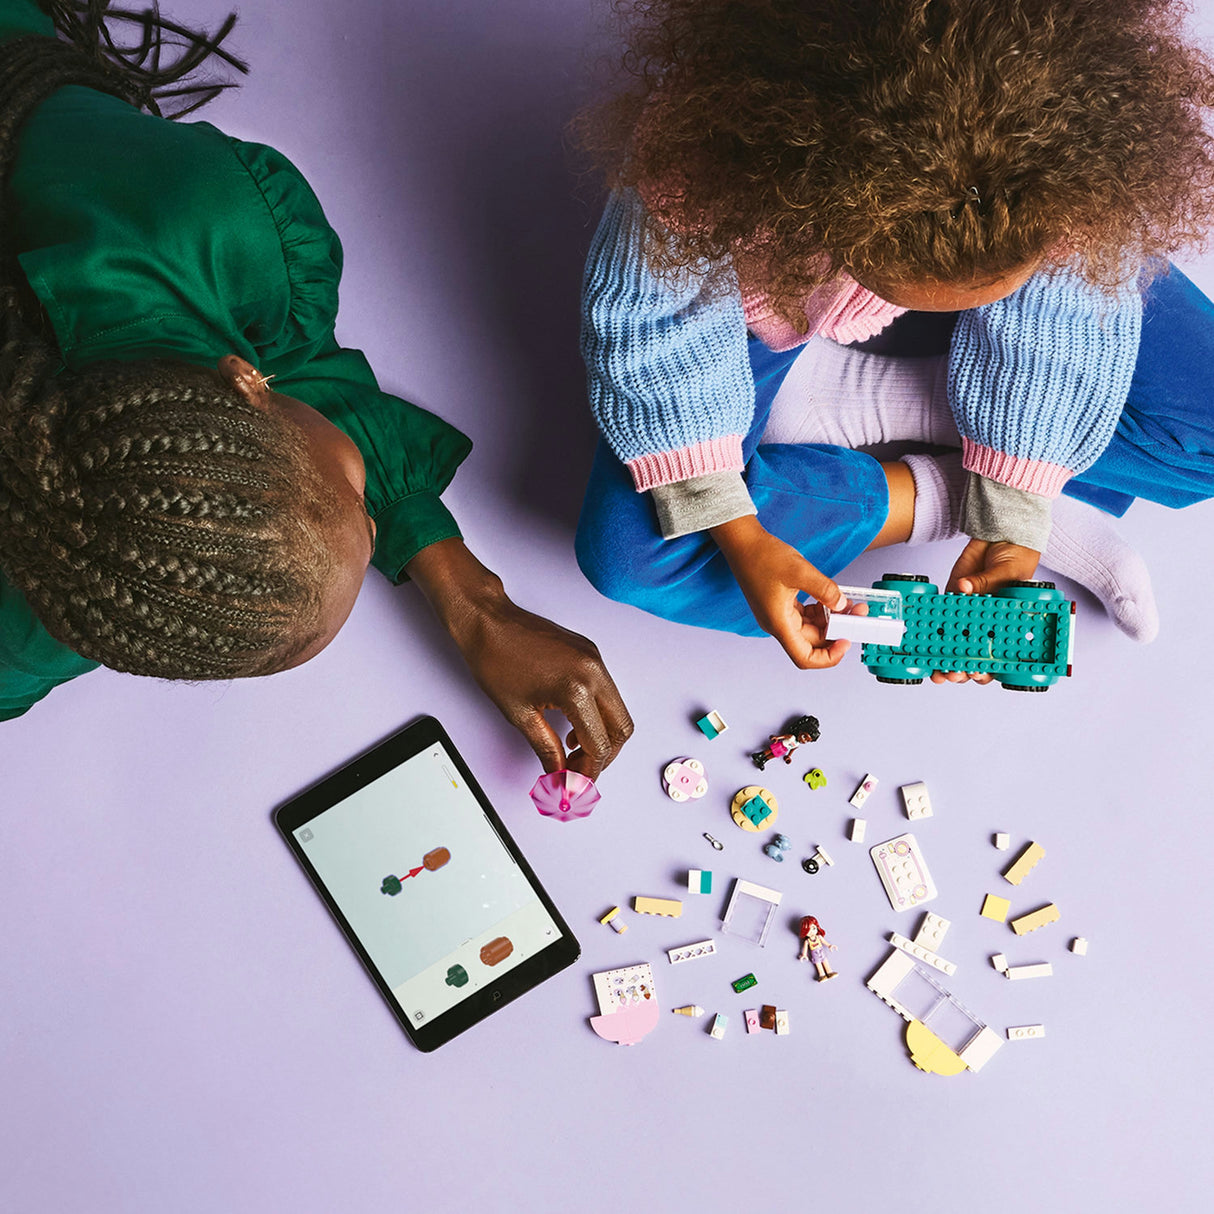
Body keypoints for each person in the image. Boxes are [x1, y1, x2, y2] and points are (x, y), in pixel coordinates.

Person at [0, 1, 632, 776]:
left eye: (359, 513)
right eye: (372, 515)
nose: (375, 538)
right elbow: (294, 376)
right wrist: (474, 607)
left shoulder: (214, 226)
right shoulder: (36, 624)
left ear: (245, 384)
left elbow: (295, 395)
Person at [575, 0, 1214, 682]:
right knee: (634, 555)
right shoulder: (704, 152)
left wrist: (1012, 507)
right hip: (778, 278)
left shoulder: (1066, 141)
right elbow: (648, 325)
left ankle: (917, 414)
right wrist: (737, 534)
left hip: (1013, 202)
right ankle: (936, 477)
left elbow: (1070, 313)